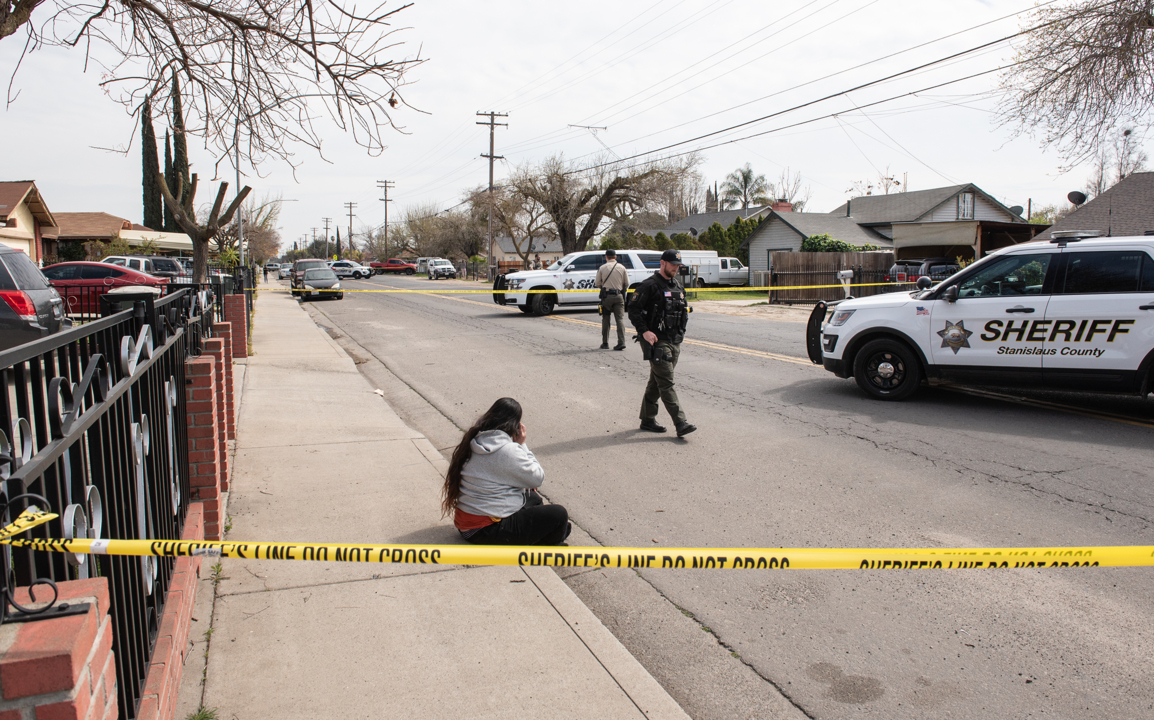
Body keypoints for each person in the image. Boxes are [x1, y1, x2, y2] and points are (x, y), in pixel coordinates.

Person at [441, 398, 571, 545]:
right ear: (515, 425)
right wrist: (522, 445)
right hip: (484, 531)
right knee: (559, 515)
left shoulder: (476, 439)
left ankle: (546, 532)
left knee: (533, 498)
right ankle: (545, 543)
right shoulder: (508, 450)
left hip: (466, 525)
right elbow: (537, 478)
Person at [628, 248, 697, 438]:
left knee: (656, 382)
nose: (675, 268)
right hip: (656, 341)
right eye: (673, 265)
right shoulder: (649, 286)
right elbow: (633, 309)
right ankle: (680, 423)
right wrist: (644, 331)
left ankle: (648, 419)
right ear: (662, 263)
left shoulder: (677, 286)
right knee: (666, 383)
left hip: (675, 341)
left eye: (678, 265)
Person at [595, 248, 629, 351]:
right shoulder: (622, 268)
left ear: (606, 257)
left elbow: (597, 283)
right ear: (615, 257)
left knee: (606, 319)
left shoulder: (602, 268)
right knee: (620, 319)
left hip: (607, 296)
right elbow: (626, 283)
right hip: (619, 296)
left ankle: (605, 343)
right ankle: (621, 342)